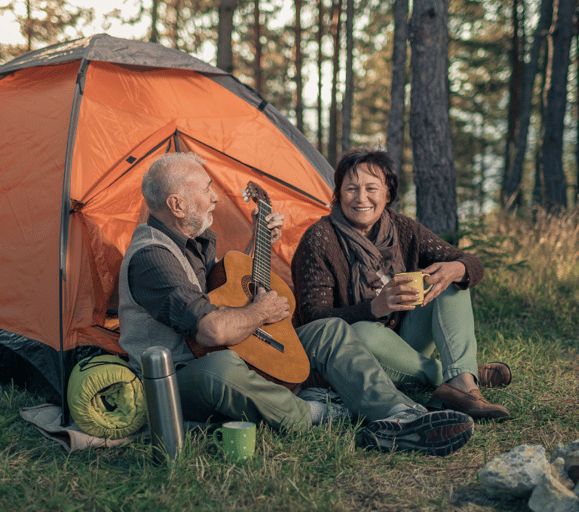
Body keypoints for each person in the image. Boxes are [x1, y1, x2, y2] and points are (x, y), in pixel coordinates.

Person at [118, 152, 475, 457]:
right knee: (224, 368)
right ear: (177, 204)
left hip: (225, 347)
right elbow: (210, 330)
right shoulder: (153, 257)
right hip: (180, 373)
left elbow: (223, 295)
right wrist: (261, 311)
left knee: (329, 330)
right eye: (206, 189)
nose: (214, 199)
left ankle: (399, 414)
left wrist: (257, 244)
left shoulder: (192, 243)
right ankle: (318, 412)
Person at [291, 148, 511, 420]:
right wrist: (374, 308)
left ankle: (460, 384)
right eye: (351, 188)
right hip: (355, 359)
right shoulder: (319, 239)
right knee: (362, 332)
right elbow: (313, 319)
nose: (361, 198)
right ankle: (456, 375)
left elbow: (471, 264)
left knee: (451, 281)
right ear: (338, 194)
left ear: (388, 194)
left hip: (405, 344)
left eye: (372, 188)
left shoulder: (403, 229)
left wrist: (458, 267)